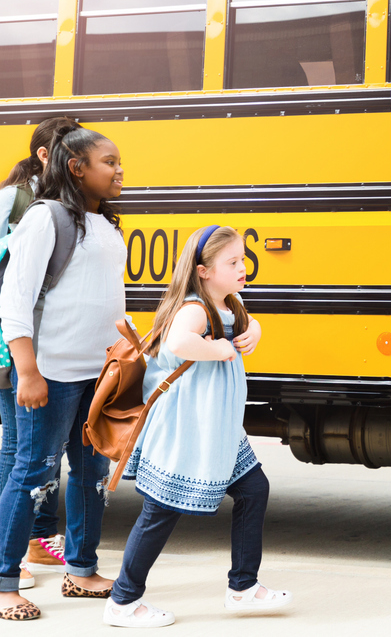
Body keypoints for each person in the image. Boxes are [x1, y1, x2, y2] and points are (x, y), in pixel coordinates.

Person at [103, 226, 285, 628]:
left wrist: (253, 330)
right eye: (232, 262)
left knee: (254, 489)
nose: (243, 267)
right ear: (203, 271)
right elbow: (177, 344)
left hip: (216, 428)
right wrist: (217, 349)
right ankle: (122, 602)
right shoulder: (195, 308)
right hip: (189, 429)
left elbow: (246, 322)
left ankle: (243, 587)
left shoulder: (226, 301)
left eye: (243, 259)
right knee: (160, 511)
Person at [0, 128, 127, 621]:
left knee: (93, 475)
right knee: (33, 472)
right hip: (50, 373)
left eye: (120, 163)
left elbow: (103, 295)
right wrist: (27, 370)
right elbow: (15, 297)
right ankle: (5, 582)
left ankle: (81, 570)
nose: (119, 171)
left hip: (100, 374)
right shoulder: (45, 218)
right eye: (108, 162)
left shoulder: (107, 226)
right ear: (76, 167)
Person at [0, 116, 80, 589]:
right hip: (11, 339)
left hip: (49, 339)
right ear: (46, 155)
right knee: (19, 446)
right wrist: (28, 236)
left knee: (45, 448)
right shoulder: (15, 199)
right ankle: (12, 553)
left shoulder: (71, 203)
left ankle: (36, 537)